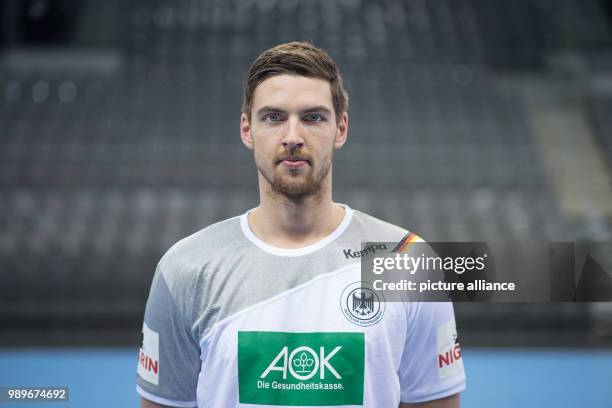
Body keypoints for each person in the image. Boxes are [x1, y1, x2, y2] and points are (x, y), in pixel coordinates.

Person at [137, 41, 465, 408]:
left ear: (340, 129)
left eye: (313, 117)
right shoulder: (185, 267)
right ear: (247, 130)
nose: (293, 137)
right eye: (273, 117)